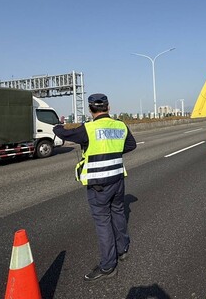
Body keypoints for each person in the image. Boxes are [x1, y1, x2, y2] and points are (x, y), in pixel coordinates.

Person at [53, 93, 137, 282]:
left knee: (103, 222)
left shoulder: (88, 129)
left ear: (91, 110)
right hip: (117, 180)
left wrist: (56, 126)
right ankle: (123, 250)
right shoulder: (120, 125)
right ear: (109, 107)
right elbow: (131, 145)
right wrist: (113, 150)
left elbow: (63, 133)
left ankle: (108, 266)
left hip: (98, 184)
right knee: (118, 213)